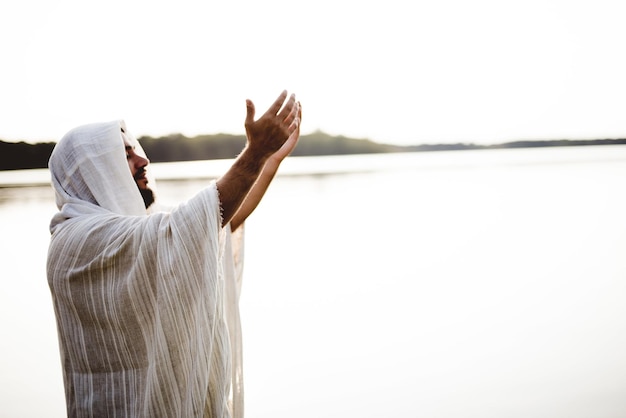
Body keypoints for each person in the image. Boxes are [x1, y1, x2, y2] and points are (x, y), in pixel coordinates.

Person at [46, 91, 302, 418]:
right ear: (94, 170)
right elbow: (191, 225)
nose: (143, 161)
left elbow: (221, 221)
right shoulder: (77, 240)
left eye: (135, 150)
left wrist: (269, 160)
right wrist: (254, 154)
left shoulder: (135, 231)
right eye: (124, 155)